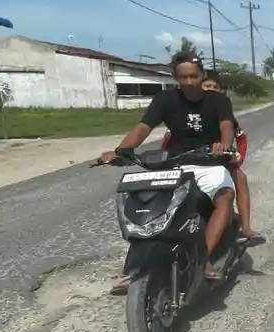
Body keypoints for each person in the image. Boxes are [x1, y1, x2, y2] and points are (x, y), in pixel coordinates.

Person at [100, 52, 237, 281]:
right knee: (150, 201)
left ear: (203, 75)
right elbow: (144, 127)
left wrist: (223, 145)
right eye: (183, 77)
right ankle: (138, 261)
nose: (190, 82)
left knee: (225, 196)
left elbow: (227, 125)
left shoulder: (218, 100)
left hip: (209, 163)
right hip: (175, 163)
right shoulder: (165, 100)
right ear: (176, 78)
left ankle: (203, 258)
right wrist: (120, 151)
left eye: (194, 76)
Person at [161, 73, 261, 243]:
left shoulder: (224, 115)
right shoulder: (186, 115)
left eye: (216, 88)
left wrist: (235, 157)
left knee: (240, 179)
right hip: (186, 160)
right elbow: (168, 140)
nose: (211, 90)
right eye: (207, 87)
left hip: (217, 159)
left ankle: (245, 227)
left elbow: (240, 138)